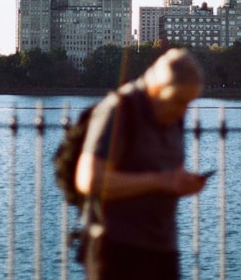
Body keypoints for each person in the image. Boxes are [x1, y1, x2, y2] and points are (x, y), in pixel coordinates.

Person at [74, 48, 208, 280]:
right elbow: (89, 179)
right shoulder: (120, 110)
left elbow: (162, 170)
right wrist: (160, 181)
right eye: (178, 101)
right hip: (117, 250)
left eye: (189, 102)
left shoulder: (173, 114)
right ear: (157, 88)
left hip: (162, 249)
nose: (183, 110)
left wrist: (181, 181)